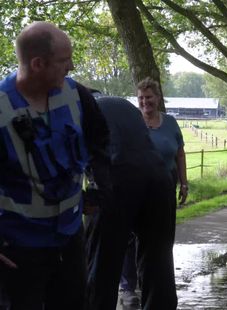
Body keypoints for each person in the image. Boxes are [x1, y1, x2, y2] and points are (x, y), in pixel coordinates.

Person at [0, 21, 111, 309]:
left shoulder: (77, 95)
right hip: (18, 249)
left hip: (70, 239)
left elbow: (99, 143)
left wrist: (98, 188)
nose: (71, 67)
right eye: (64, 61)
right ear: (38, 64)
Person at [84, 94, 177, 310]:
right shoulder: (122, 104)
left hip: (118, 179)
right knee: (159, 260)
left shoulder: (77, 108)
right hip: (159, 178)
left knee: (102, 262)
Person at [117, 77, 187, 306]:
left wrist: (184, 183)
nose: (145, 102)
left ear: (158, 98)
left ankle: (158, 291)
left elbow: (179, 153)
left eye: (149, 97)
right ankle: (128, 287)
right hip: (136, 188)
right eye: (141, 98)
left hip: (164, 188)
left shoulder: (170, 123)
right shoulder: (132, 122)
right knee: (130, 240)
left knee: (159, 243)